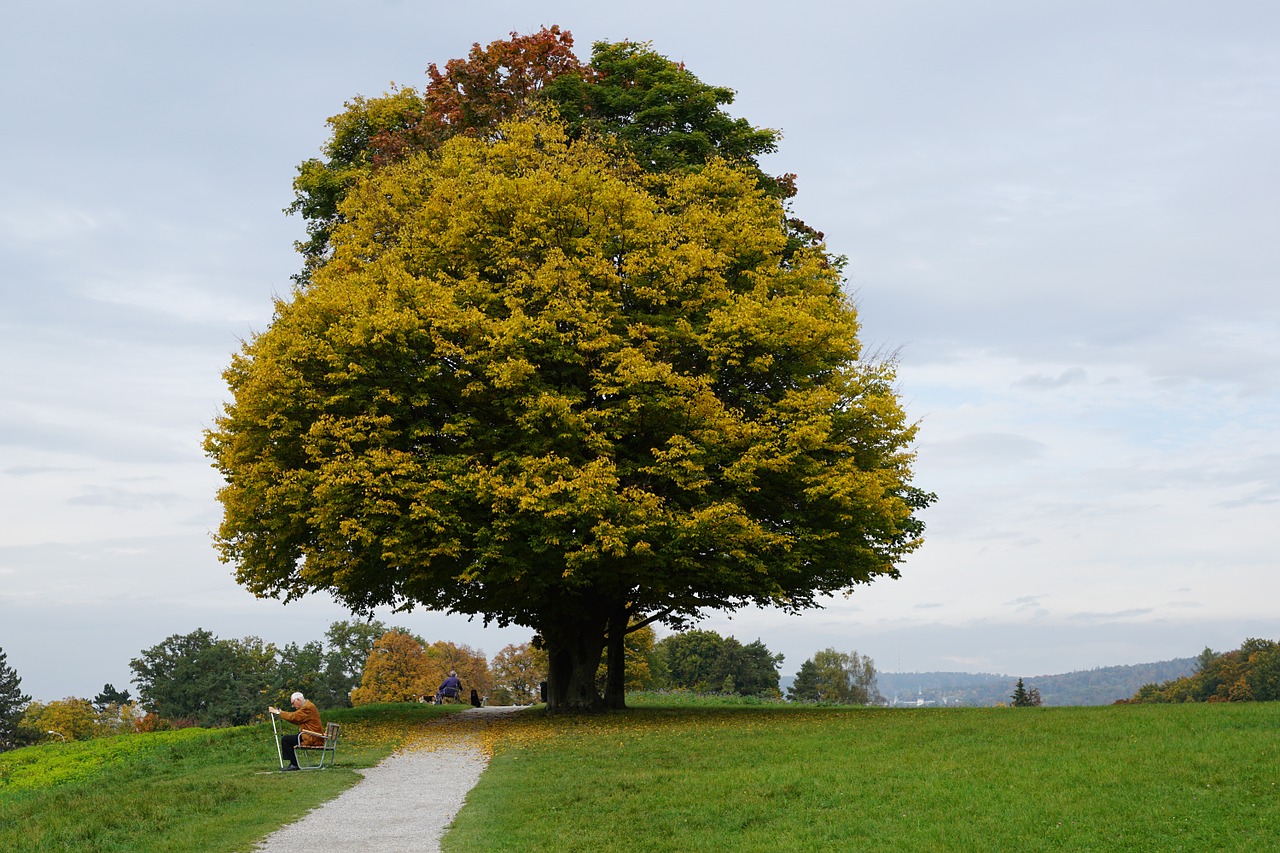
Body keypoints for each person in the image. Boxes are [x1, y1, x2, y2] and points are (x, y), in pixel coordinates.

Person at [268, 692, 323, 771]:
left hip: (312, 737)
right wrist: (280, 713)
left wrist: (278, 712)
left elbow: (294, 717)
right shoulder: (308, 706)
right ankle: (293, 763)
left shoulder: (307, 707)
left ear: (298, 700)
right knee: (288, 739)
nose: (293, 706)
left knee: (286, 739)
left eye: (293, 703)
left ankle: (294, 764)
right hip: (310, 735)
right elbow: (296, 719)